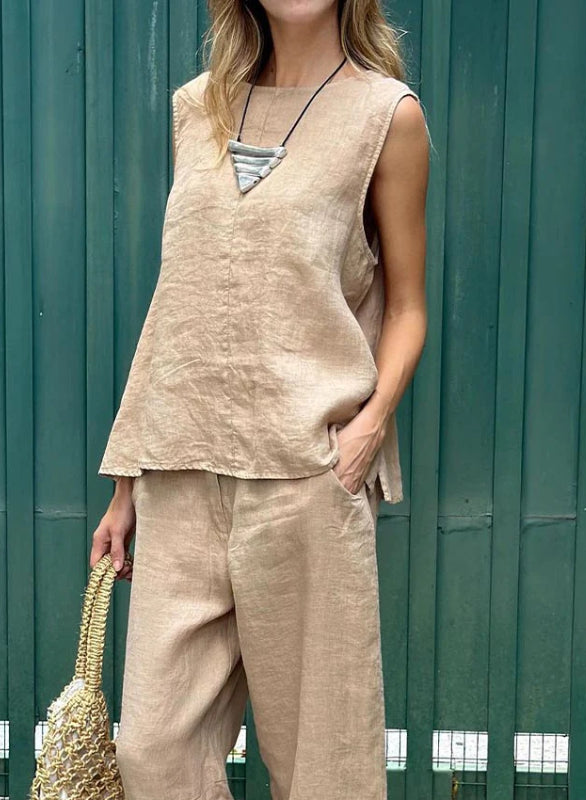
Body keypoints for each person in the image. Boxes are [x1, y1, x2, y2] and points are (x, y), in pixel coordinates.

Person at [91, 0, 429, 797]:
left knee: (324, 770)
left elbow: (407, 305)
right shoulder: (196, 108)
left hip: (305, 478)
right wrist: (126, 482)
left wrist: (368, 430)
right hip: (181, 474)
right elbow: (179, 301)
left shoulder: (387, 116)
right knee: (153, 754)